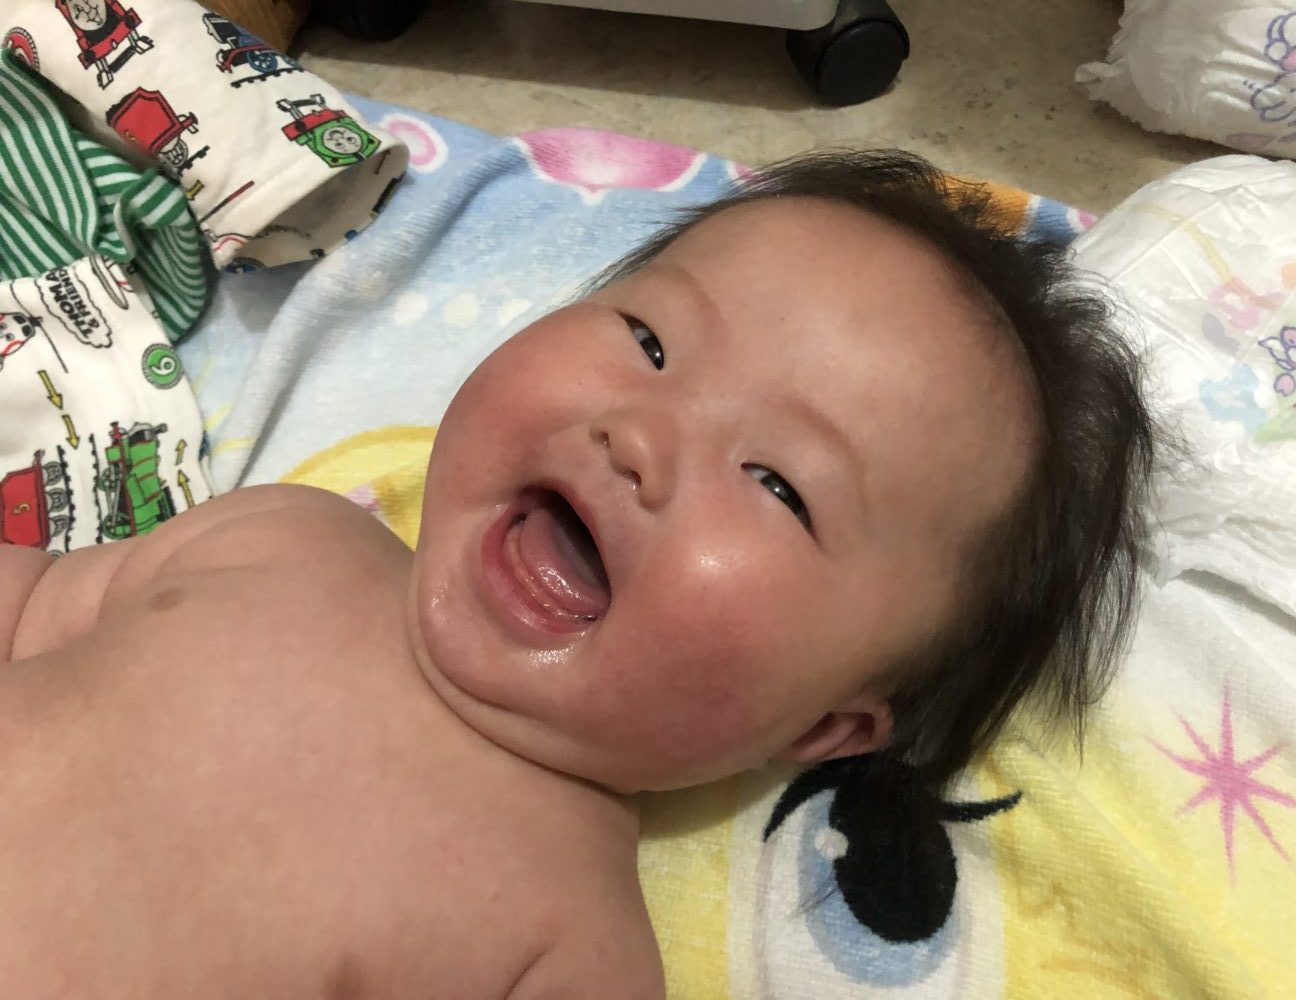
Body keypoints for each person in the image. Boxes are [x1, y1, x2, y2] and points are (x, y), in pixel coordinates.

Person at [0, 150, 1155, 998]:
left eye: (777, 483)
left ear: (823, 727)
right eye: (648, 342)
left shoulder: (566, 940)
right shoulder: (279, 533)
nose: (640, 438)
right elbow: (32, 600)